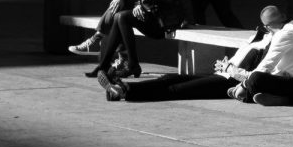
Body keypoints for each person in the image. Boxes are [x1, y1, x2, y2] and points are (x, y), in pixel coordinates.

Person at [99, 30, 272, 102]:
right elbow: (238, 60)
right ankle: (120, 87)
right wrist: (225, 65)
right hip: (222, 76)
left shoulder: (268, 49)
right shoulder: (255, 40)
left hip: (230, 83)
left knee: (177, 89)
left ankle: (123, 91)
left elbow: (254, 74)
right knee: (170, 78)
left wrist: (229, 69)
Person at [227, 5, 293, 106]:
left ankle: (250, 96)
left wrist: (244, 84)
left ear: (267, 27)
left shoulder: (287, 32)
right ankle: (275, 98)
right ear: (283, 16)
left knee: (256, 79)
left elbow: (265, 67)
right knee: (258, 79)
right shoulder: (291, 27)